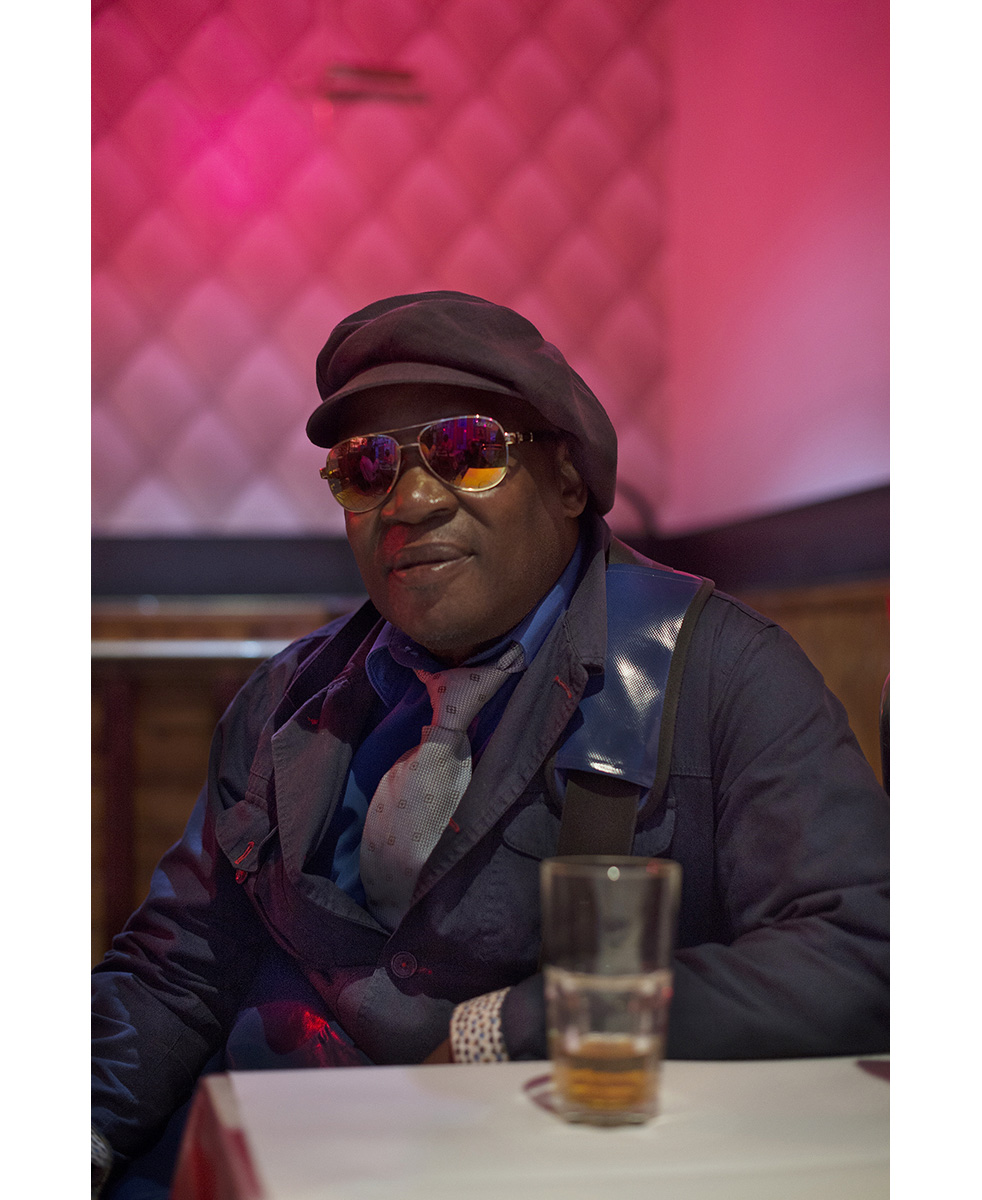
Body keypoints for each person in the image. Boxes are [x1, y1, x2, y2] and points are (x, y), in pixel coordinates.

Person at [92, 290, 889, 1195]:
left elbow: (864, 950)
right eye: (367, 466)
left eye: (466, 451)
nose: (409, 501)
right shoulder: (284, 701)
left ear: (568, 481)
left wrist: (515, 1030)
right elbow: (173, 971)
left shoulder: (721, 676)